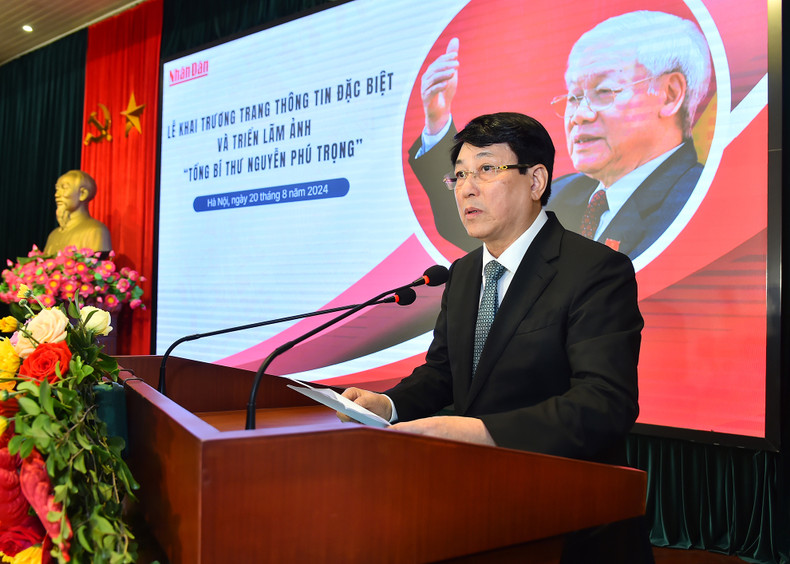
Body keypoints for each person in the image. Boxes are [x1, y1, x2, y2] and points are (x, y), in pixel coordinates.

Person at [343, 112, 651, 562]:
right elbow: (444, 372)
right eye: (461, 175)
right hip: (481, 510)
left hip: (571, 522)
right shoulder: (465, 272)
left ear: (536, 180)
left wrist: (480, 432)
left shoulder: (594, 270)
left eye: (487, 169)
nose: (467, 187)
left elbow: (604, 403)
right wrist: (386, 405)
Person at [409, 10, 712, 260]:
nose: (579, 115)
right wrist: (438, 122)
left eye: (603, 91)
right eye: (574, 96)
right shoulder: (563, 193)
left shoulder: (695, 202)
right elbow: (482, 222)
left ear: (670, 94)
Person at [43, 170, 112, 255]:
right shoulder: (53, 235)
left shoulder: (96, 231)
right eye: (57, 189)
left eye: (64, 188)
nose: (57, 195)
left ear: (83, 194)